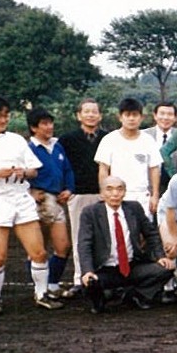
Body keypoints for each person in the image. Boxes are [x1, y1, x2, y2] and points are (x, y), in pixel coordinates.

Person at [0, 95, 62, 313]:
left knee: (39, 252)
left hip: (21, 198)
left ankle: (41, 294)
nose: (4, 119)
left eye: (6, 115)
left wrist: (24, 172)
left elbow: (34, 170)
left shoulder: (16, 140)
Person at [78, 176, 175, 313]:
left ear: (124, 192)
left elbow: (151, 233)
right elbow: (84, 244)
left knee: (167, 268)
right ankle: (101, 301)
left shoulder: (134, 208)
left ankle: (137, 295)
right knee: (91, 283)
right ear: (101, 194)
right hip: (105, 268)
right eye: (109, 189)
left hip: (132, 265)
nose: (115, 194)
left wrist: (160, 256)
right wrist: (87, 270)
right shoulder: (90, 213)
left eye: (119, 189)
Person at [58, 97, 107, 294]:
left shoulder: (108, 138)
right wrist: (66, 189)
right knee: (80, 237)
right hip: (78, 195)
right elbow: (60, 167)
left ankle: (103, 278)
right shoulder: (67, 140)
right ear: (79, 116)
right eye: (86, 111)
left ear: (100, 115)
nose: (91, 115)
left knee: (104, 238)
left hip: (105, 195)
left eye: (94, 111)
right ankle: (80, 279)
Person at [25, 107, 74, 298]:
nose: (49, 127)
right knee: (38, 248)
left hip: (56, 201)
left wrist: (69, 189)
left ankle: (52, 284)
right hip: (39, 202)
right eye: (44, 124)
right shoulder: (28, 149)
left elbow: (67, 170)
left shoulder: (57, 146)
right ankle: (40, 288)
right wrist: (29, 192)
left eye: (50, 123)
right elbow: (18, 174)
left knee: (63, 246)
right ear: (34, 128)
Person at [95, 97, 162, 214]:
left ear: (141, 117)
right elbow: (103, 169)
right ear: (120, 117)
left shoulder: (148, 140)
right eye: (127, 115)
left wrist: (155, 195)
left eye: (135, 115)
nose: (131, 118)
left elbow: (154, 169)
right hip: (116, 195)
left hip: (142, 195)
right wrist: (105, 193)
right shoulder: (109, 140)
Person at [143, 100, 177, 193]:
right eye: (162, 113)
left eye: (170, 114)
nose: (166, 117)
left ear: (175, 118)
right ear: (155, 116)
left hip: (175, 187)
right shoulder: (144, 136)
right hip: (148, 187)